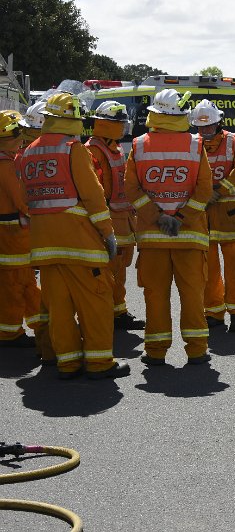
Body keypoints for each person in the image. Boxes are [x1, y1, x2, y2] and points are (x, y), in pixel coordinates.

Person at [20, 93, 129, 379]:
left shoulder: (29, 151)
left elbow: (27, 198)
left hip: (44, 244)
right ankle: (99, 363)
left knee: (59, 307)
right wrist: (108, 233)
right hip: (80, 244)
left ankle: (67, 364)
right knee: (96, 302)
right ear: (73, 119)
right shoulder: (73, 149)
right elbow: (93, 197)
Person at [124, 88, 213, 366]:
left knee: (156, 297)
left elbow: (131, 188)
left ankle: (156, 352)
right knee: (193, 296)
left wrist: (157, 216)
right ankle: (197, 350)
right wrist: (181, 217)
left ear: (154, 114)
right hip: (189, 237)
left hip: (153, 237)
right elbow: (204, 189)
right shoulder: (196, 145)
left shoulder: (138, 146)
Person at [190, 99, 235, 333]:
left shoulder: (234, 141)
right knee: (209, 270)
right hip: (203, 217)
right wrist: (204, 195)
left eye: (209, 126)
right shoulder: (192, 144)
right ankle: (214, 313)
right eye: (200, 127)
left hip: (231, 216)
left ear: (218, 123)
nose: (204, 131)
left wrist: (218, 191)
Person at [85, 101, 145, 331]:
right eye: (119, 123)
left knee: (119, 270)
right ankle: (104, 313)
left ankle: (118, 312)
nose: (123, 127)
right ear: (107, 124)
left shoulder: (114, 148)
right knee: (108, 270)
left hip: (124, 219)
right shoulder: (94, 150)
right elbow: (96, 191)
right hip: (109, 220)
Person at [0, 110, 46, 351]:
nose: (23, 139)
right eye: (19, 134)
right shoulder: (6, 165)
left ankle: (40, 325)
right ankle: (9, 333)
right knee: (14, 284)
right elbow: (22, 200)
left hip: (12, 234)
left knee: (25, 281)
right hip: (12, 235)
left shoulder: (7, 160)